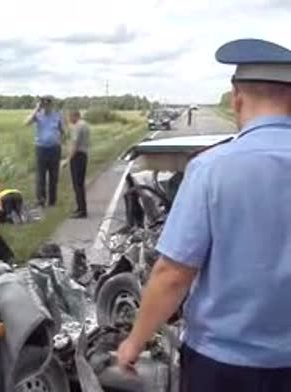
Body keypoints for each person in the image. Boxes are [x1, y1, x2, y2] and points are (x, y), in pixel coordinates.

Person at [117, 38, 291, 392]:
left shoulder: (211, 169)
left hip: (223, 366)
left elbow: (173, 275)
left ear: (237, 98)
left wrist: (133, 345)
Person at [24, 96, 64, 207]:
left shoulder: (57, 116)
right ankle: (40, 200)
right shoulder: (38, 115)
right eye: (43, 104)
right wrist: (36, 109)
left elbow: (62, 130)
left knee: (54, 176)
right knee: (40, 176)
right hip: (41, 148)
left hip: (55, 148)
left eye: (47, 104)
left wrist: (59, 139)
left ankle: (52, 201)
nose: (45, 106)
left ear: (51, 104)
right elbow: (26, 123)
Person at [62, 110, 90, 218]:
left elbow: (74, 145)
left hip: (77, 156)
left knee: (77, 185)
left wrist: (67, 160)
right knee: (80, 184)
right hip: (83, 155)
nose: (69, 120)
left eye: (70, 117)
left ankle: (82, 210)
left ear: (75, 116)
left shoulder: (78, 127)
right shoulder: (85, 125)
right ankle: (80, 208)